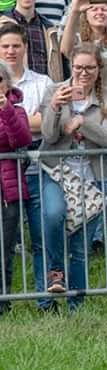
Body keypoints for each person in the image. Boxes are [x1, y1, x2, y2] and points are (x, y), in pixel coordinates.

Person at [38, 43, 107, 306]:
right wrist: (56, 107)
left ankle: (77, 305)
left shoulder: (106, 96)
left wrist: (84, 122)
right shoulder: (54, 90)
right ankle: (56, 271)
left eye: (90, 68)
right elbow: (48, 136)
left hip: (91, 177)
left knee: (81, 246)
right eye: (79, 67)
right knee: (52, 214)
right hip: (56, 170)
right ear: (71, 66)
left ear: (99, 68)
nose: (84, 73)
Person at [0, 55, 31, 312]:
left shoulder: (16, 109)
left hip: (7, 188)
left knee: (5, 247)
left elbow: (20, 140)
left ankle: (3, 302)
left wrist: (5, 110)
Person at [2, 0, 63, 80]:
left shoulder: (48, 28)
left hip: (44, 90)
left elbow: (56, 66)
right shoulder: (2, 24)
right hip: (12, 89)